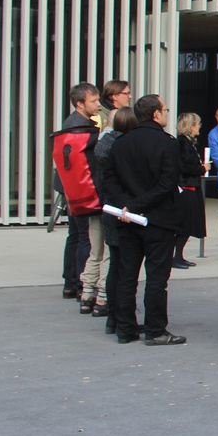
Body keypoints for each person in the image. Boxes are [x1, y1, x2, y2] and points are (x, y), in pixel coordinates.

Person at [96, 94, 187, 346]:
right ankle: (155, 330)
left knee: (127, 275)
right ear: (156, 114)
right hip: (158, 219)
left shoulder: (121, 142)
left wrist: (126, 205)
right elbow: (167, 183)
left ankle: (125, 328)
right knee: (156, 278)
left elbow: (109, 180)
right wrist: (135, 206)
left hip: (127, 219)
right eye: (164, 110)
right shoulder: (167, 143)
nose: (167, 114)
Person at [89, 107, 136, 332]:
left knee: (114, 262)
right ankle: (120, 315)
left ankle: (111, 314)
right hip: (121, 208)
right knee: (123, 266)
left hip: (108, 205)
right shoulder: (122, 147)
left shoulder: (103, 144)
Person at [55, 83, 103, 306]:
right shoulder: (80, 127)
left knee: (75, 235)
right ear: (79, 104)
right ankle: (81, 284)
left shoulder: (72, 123)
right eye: (94, 101)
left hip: (70, 187)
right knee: (84, 236)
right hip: (80, 188)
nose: (98, 105)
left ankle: (70, 283)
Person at [172, 113, 210, 269]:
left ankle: (179, 255)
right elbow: (184, 167)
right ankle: (175, 257)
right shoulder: (182, 144)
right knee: (184, 225)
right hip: (186, 188)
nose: (199, 127)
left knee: (187, 225)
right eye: (197, 124)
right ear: (190, 125)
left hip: (191, 187)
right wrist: (201, 168)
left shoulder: (188, 143)